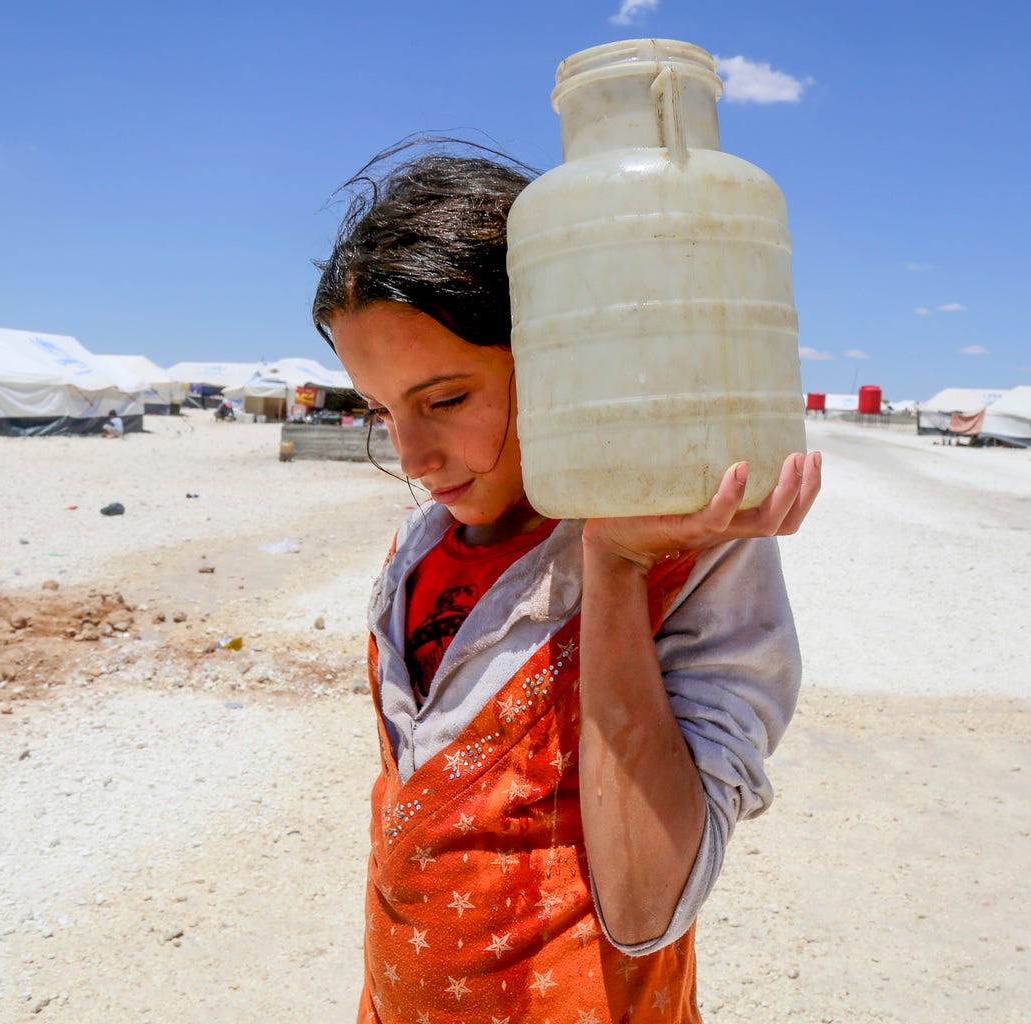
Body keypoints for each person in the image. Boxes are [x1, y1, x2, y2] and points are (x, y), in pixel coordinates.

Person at [311, 147, 822, 1023]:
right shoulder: (419, 548)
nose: (411, 458)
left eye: (443, 399)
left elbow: (645, 904)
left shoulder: (690, 557)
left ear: (563, 360)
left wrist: (616, 569)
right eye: (382, 411)